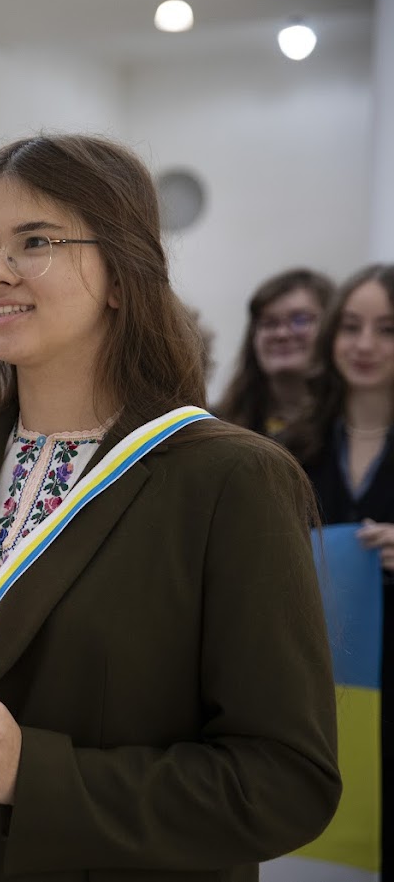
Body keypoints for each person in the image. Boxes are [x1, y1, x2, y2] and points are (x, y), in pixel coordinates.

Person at [0, 134, 340, 881]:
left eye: (35, 241)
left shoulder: (229, 479)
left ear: (121, 276)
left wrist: (32, 774)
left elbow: (285, 784)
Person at [282, 262, 394, 867]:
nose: (365, 345)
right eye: (351, 326)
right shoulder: (294, 446)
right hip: (317, 686)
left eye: (387, 329)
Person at [214, 268, 333, 436]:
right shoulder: (220, 426)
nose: (281, 334)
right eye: (269, 323)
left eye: (300, 320)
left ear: (332, 326)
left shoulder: (351, 430)